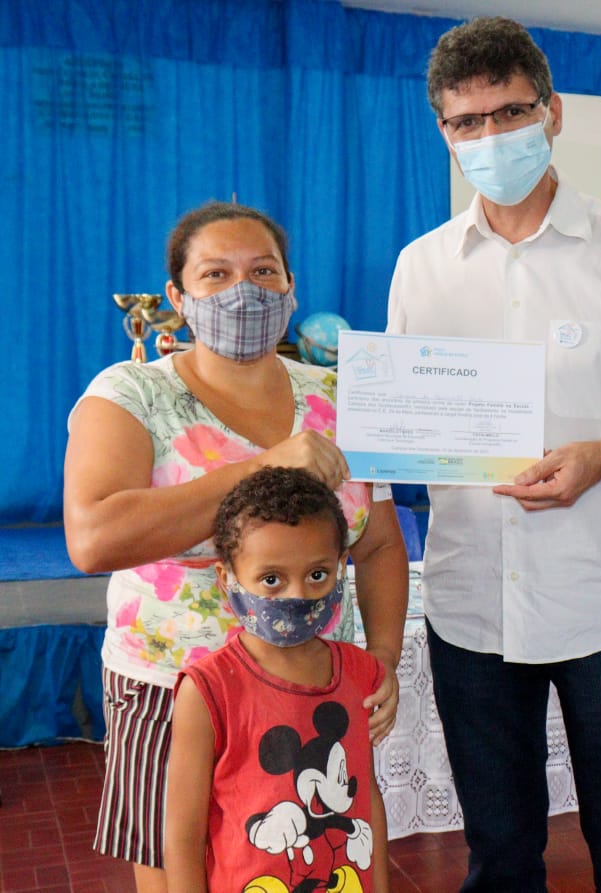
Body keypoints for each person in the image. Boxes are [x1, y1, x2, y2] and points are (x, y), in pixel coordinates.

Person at [386, 17, 601, 892]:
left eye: (509, 113)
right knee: (498, 858)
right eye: (467, 123)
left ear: (554, 113)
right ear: (443, 132)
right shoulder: (420, 267)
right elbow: (403, 426)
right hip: (470, 608)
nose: (490, 137)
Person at [64, 201, 408, 893]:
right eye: (215, 273)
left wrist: (382, 658)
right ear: (177, 297)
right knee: (177, 867)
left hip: (307, 692)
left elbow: (377, 545)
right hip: (171, 687)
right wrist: (261, 465)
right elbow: (95, 536)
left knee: (302, 860)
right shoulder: (131, 393)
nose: (241, 290)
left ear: (291, 288)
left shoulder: (346, 397)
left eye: (261, 271)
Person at [164, 466, 390, 893]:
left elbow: (367, 797)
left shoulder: (361, 673)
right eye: (271, 579)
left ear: (342, 565)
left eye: (317, 575)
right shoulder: (206, 690)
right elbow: (182, 836)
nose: (297, 596)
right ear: (227, 578)